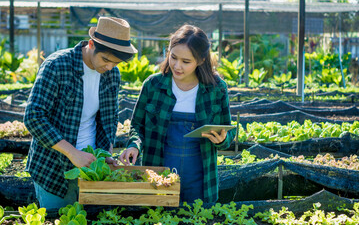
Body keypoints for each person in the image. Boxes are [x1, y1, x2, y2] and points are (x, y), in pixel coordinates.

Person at [24, 17, 137, 210]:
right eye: (106, 60)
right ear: (91, 44)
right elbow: (34, 117)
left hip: (91, 168)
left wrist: (105, 155)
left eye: (116, 63)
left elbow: (109, 120)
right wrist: (73, 153)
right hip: (54, 168)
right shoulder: (57, 66)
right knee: (60, 219)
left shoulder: (112, 74)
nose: (109, 67)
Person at [119, 25, 235, 203]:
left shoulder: (216, 88)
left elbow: (229, 130)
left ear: (201, 60)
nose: (177, 66)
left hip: (200, 179)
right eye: (173, 57)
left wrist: (222, 139)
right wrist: (134, 145)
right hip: (158, 175)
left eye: (186, 61)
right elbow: (137, 126)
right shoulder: (153, 85)